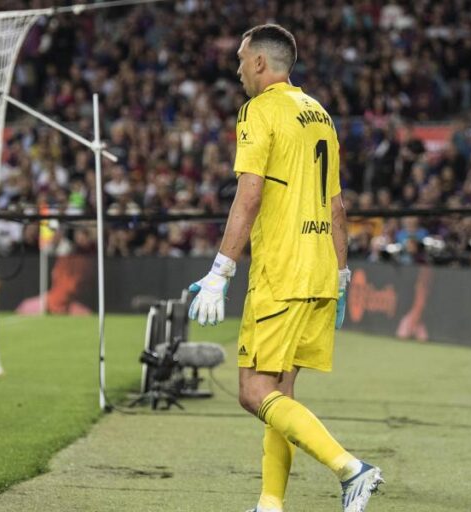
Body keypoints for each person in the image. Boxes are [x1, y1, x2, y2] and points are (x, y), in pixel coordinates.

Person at [187, 24, 382, 512]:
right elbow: (337, 206)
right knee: (282, 393)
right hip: (318, 271)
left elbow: (248, 194)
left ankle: (350, 468)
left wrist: (219, 272)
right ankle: (270, 504)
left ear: (258, 62)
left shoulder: (259, 110)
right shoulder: (321, 114)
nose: (236, 70)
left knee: (254, 392)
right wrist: (340, 278)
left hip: (282, 270)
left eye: (239, 59)